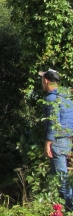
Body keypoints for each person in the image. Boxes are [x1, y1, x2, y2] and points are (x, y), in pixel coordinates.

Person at [41, 68, 73, 211]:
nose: (41, 82)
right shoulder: (66, 96)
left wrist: (48, 143)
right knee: (61, 179)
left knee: (61, 180)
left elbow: (53, 122)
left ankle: (70, 209)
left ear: (46, 80)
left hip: (57, 142)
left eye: (42, 79)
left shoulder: (51, 99)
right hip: (66, 140)